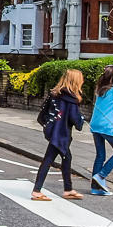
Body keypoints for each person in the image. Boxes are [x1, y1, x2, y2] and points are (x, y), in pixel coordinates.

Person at [32, 68, 85, 201]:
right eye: (81, 78)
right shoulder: (72, 99)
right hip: (61, 134)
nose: (83, 81)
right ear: (76, 81)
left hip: (53, 131)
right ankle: (37, 191)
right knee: (48, 160)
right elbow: (75, 120)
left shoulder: (55, 94)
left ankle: (68, 189)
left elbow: (44, 113)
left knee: (66, 158)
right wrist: (82, 119)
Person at [88, 65, 113, 195]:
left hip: (95, 126)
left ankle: (95, 188)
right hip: (109, 128)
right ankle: (101, 176)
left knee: (100, 155)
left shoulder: (101, 90)